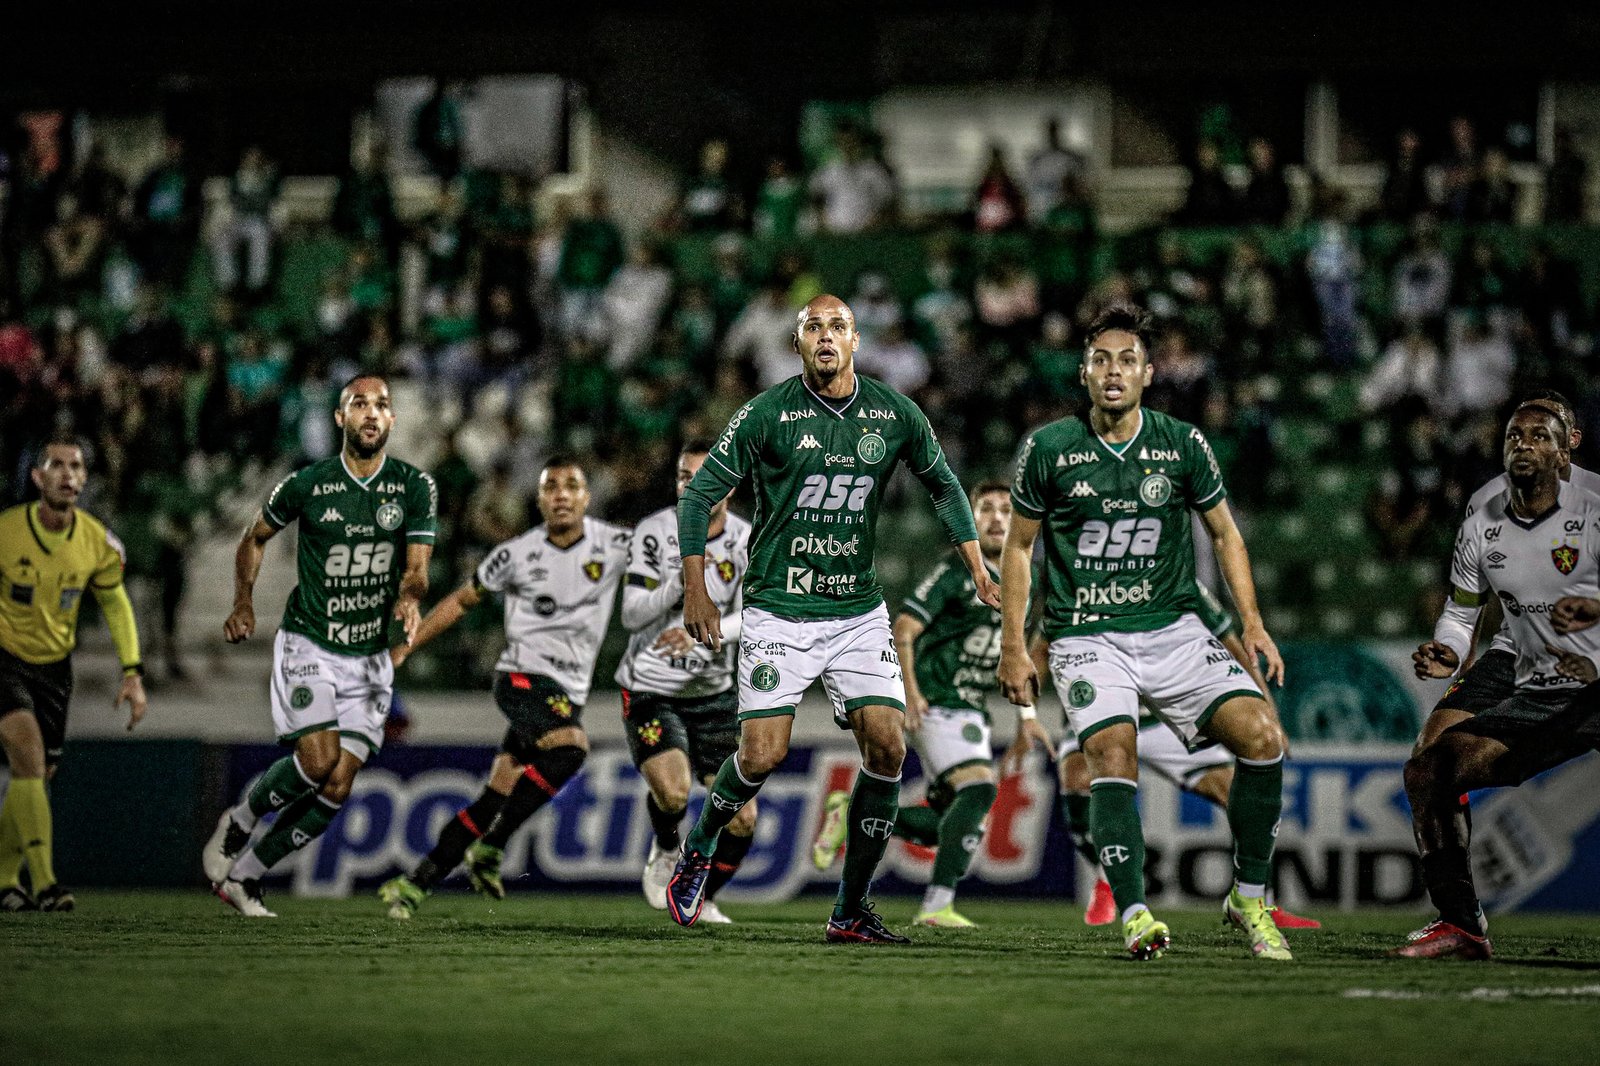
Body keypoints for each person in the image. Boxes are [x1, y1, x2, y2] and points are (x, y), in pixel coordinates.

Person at [666, 294, 999, 943]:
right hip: (780, 607)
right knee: (763, 754)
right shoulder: (768, 413)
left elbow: (944, 485)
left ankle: (849, 910)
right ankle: (699, 845)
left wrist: (980, 571)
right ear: (797, 344)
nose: (825, 335)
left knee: (887, 744)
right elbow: (701, 492)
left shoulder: (893, 411)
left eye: (838, 326)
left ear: (855, 341)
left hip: (855, 611)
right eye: (813, 326)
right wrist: (697, 587)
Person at [997, 303, 1291, 962]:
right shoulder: (1048, 449)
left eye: (1127, 360)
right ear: (1083, 371)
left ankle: (1249, 896)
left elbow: (1225, 534)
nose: (1113, 371)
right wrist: (1016, 643)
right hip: (1086, 636)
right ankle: (1133, 910)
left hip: (1174, 630)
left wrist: (1253, 623)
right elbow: (1019, 550)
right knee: (1111, 755)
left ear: (1148, 373)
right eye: (1101, 359)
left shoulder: (1183, 444)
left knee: (1265, 740)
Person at [202, 376, 436, 917]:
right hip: (310, 642)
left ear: (393, 420)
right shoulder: (307, 484)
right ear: (340, 418)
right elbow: (254, 537)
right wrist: (242, 602)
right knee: (316, 762)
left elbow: (418, 569)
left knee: (338, 785)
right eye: (360, 404)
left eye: (382, 405)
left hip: (370, 656)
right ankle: (238, 821)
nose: (372, 413)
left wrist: (409, 595)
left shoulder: (414, 487)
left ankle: (248, 878)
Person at [378, 458, 628, 918]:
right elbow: (459, 602)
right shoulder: (514, 554)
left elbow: (669, 558)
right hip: (521, 677)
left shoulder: (615, 545)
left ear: (587, 498)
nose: (561, 495)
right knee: (570, 749)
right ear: (539, 500)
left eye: (571, 485)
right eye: (550, 486)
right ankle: (493, 847)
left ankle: (417, 882)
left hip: (566, 692)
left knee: (498, 790)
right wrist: (407, 647)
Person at [1401, 403, 1600, 959]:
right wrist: (1451, 648)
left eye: (1541, 435)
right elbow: (1464, 609)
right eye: (1515, 433)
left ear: (1567, 449)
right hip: (1522, 656)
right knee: (1429, 765)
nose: (1524, 443)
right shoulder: (1483, 511)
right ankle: (1460, 923)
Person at [811, 481, 1051, 927]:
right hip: (938, 700)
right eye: (986, 510)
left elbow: (1021, 657)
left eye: (1006, 510)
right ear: (972, 520)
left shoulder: (1025, 582)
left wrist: (1027, 718)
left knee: (952, 822)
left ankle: (851, 812)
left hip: (971, 708)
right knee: (978, 791)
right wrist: (912, 692)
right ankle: (936, 905)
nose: (997, 518)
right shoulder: (957, 571)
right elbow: (904, 627)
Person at [1047, 580, 1318, 930]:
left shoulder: (1178, 581)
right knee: (1078, 778)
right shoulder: (1083, 578)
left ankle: (1257, 898)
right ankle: (1106, 879)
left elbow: (1232, 644)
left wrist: (1270, 712)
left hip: (1163, 717)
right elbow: (1044, 643)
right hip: (1107, 707)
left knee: (1235, 790)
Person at [0, 437, 148, 912]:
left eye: (76, 467)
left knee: (37, 775)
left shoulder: (98, 543)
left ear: (85, 479)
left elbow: (115, 603)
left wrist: (132, 671)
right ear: (37, 477)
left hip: (54, 669)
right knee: (26, 749)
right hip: (4, 659)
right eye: (56, 466)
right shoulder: (5, 532)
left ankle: (4, 880)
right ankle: (45, 884)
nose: (67, 474)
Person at [623, 442, 752, 923]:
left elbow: (758, 615)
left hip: (715, 694)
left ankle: (703, 896)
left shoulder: (746, 540)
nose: (690, 487)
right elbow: (631, 614)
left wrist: (701, 636)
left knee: (742, 820)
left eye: (703, 477)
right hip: (653, 688)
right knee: (674, 793)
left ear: (730, 486)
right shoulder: (655, 532)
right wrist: (678, 586)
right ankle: (664, 847)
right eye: (683, 477)